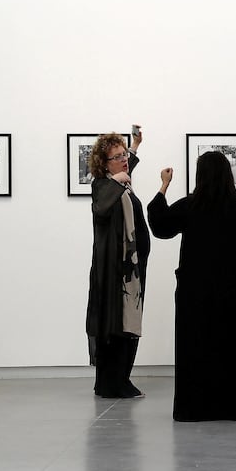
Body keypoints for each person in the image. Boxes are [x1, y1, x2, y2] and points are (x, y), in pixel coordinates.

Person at [148, 152, 236, 421]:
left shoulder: (191, 206)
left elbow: (160, 225)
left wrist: (163, 186)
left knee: (197, 348)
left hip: (196, 296)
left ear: (199, 175)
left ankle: (196, 407)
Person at [85, 128, 149, 399]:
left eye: (125, 156)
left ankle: (119, 379)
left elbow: (125, 169)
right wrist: (119, 179)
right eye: (118, 157)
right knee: (114, 324)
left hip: (129, 270)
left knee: (127, 322)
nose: (124, 160)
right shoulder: (103, 186)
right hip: (113, 271)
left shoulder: (118, 182)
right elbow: (101, 207)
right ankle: (113, 383)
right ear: (104, 163)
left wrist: (134, 146)